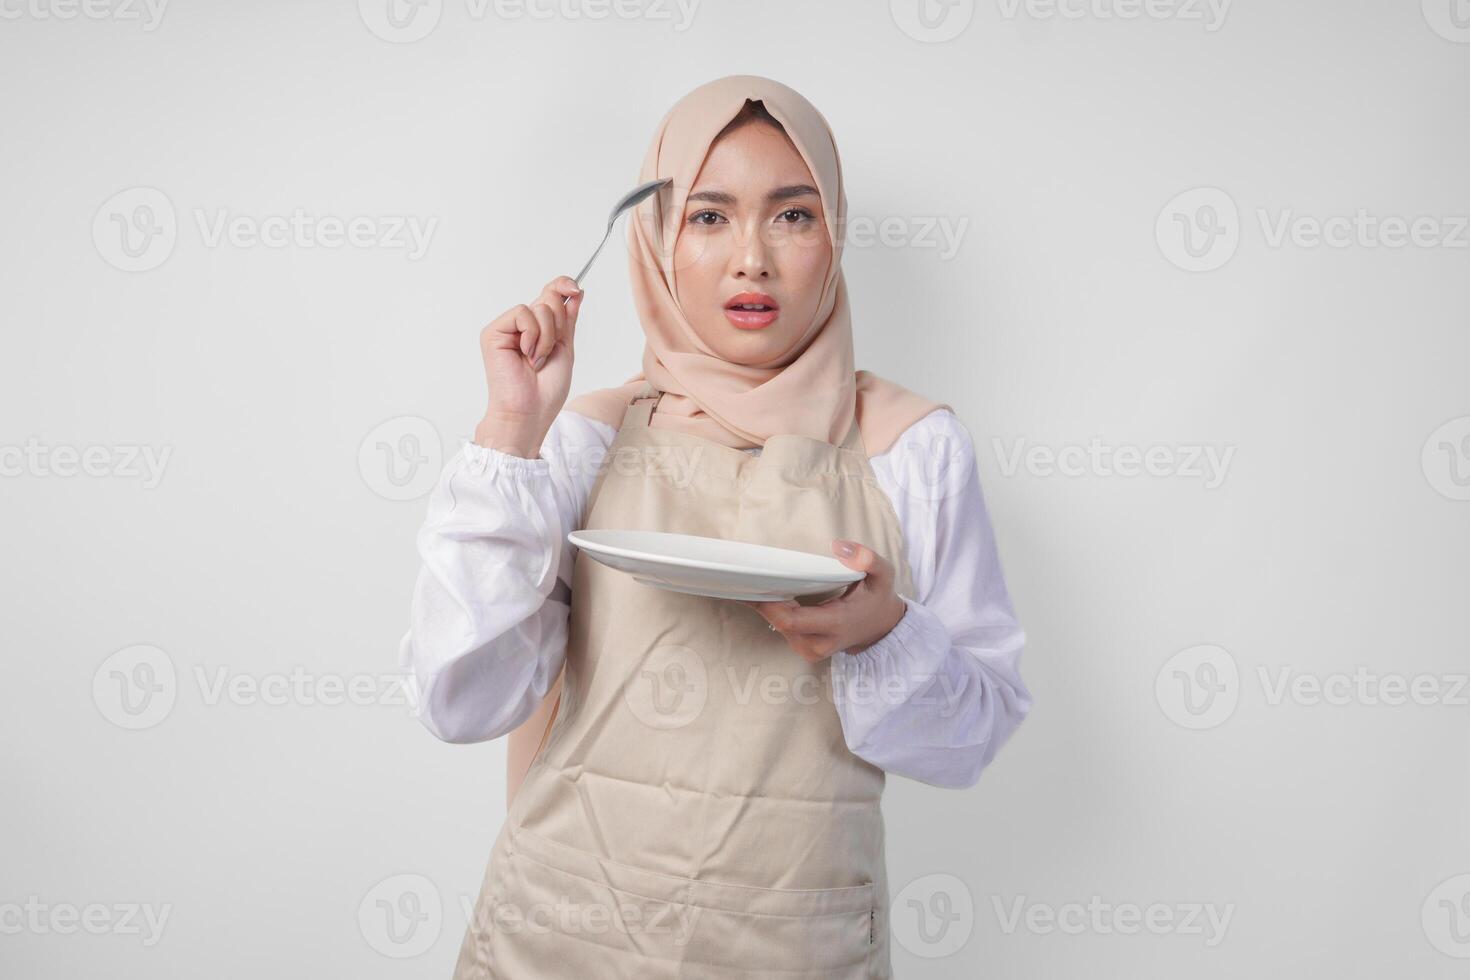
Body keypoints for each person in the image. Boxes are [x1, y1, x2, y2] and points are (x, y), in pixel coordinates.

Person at [399, 74, 1032, 980]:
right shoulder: (584, 434)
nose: (752, 259)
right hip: (559, 937)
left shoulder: (915, 448)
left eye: (793, 215)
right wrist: (512, 429)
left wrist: (883, 634)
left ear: (835, 233)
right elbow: (460, 698)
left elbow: (973, 740)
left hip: (796, 948)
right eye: (707, 216)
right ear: (656, 240)